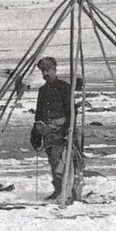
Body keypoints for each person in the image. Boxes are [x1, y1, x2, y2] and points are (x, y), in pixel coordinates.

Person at [29, 56, 81, 201]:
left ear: (54, 69)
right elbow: (39, 113)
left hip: (62, 132)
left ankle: (67, 191)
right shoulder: (43, 90)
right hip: (47, 133)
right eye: (43, 71)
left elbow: (72, 112)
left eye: (47, 70)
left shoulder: (64, 87)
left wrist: (64, 126)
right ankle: (58, 189)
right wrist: (36, 131)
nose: (45, 73)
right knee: (53, 161)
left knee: (60, 161)